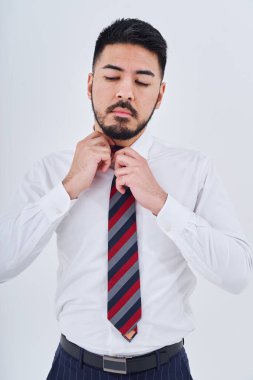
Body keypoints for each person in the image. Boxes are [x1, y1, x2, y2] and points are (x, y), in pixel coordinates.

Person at [0, 18, 252, 380]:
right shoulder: (52, 170)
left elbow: (237, 275)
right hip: (75, 368)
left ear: (160, 95)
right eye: (112, 76)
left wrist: (162, 202)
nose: (126, 92)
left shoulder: (193, 170)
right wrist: (66, 189)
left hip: (165, 369)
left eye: (142, 81)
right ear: (90, 84)